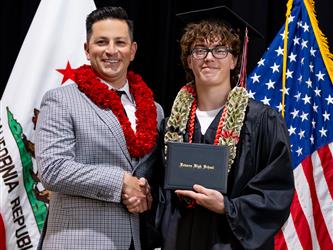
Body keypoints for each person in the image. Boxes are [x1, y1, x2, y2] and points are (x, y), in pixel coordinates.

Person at [161, 6, 294, 250]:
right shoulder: (172, 123)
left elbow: (277, 192)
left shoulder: (262, 120)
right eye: (200, 50)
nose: (209, 57)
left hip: (231, 242)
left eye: (220, 49)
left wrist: (227, 206)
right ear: (189, 60)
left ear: (234, 59)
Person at [35, 6, 164, 250]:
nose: (111, 51)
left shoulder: (154, 110)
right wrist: (121, 182)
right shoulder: (61, 99)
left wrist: (145, 192)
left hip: (134, 241)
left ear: (133, 50)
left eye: (120, 42)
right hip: (77, 240)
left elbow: (152, 173)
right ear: (87, 49)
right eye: (102, 42)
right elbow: (52, 169)